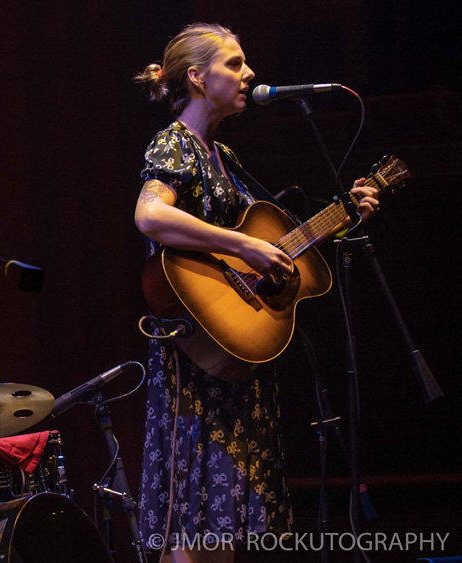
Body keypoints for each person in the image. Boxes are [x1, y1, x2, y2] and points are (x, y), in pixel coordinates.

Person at [133, 23, 379, 563]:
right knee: (193, 525)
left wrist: (344, 215)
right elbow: (150, 215)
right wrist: (242, 246)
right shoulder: (174, 143)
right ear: (197, 78)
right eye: (235, 64)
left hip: (234, 358)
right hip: (193, 360)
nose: (249, 75)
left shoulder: (224, 157)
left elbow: (278, 245)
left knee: (219, 526)